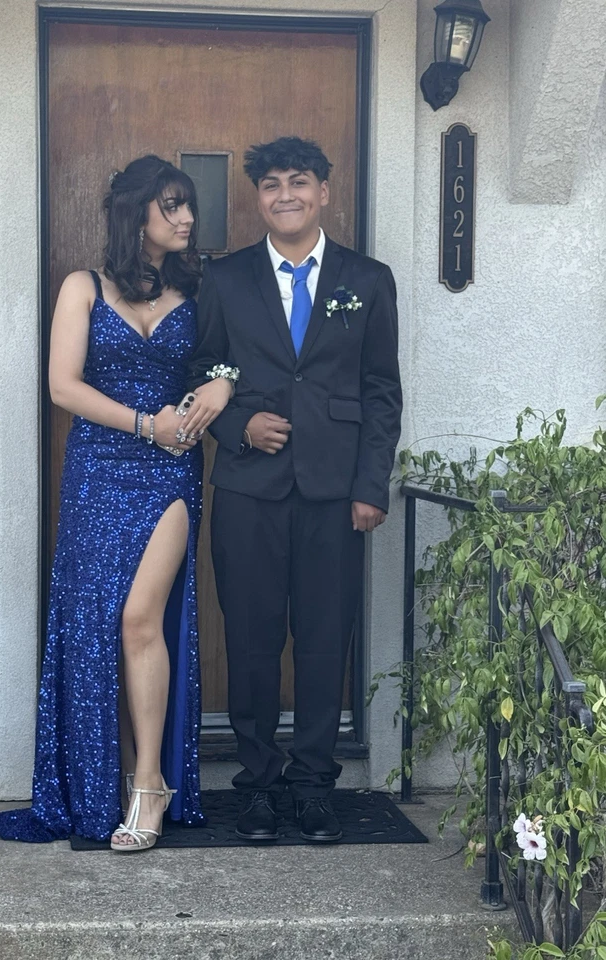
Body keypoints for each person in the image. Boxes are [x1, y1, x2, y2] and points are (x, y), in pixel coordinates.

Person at [0, 156, 232, 851]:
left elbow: (230, 359)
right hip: (100, 472)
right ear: (137, 215)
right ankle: (117, 780)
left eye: (187, 205)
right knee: (99, 626)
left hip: (170, 476)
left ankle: (150, 783)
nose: (186, 217)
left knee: (139, 619)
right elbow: (62, 386)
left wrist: (219, 389)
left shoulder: (204, 288)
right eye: (172, 205)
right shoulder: (83, 288)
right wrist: (140, 422)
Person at [183, 136, 402, 843]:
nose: (285, 195)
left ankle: (313, 785)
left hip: (337, 493)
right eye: (272, 184)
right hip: (250, 489)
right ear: (259, 197)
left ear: (324, 192)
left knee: (321, 641)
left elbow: (381, 390)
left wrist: (372, 486)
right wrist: (241, 425)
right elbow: (202, 366)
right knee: (249, 641)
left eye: (299, 182)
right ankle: (257, 785)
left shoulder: (368, 280)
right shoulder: (226, 278)